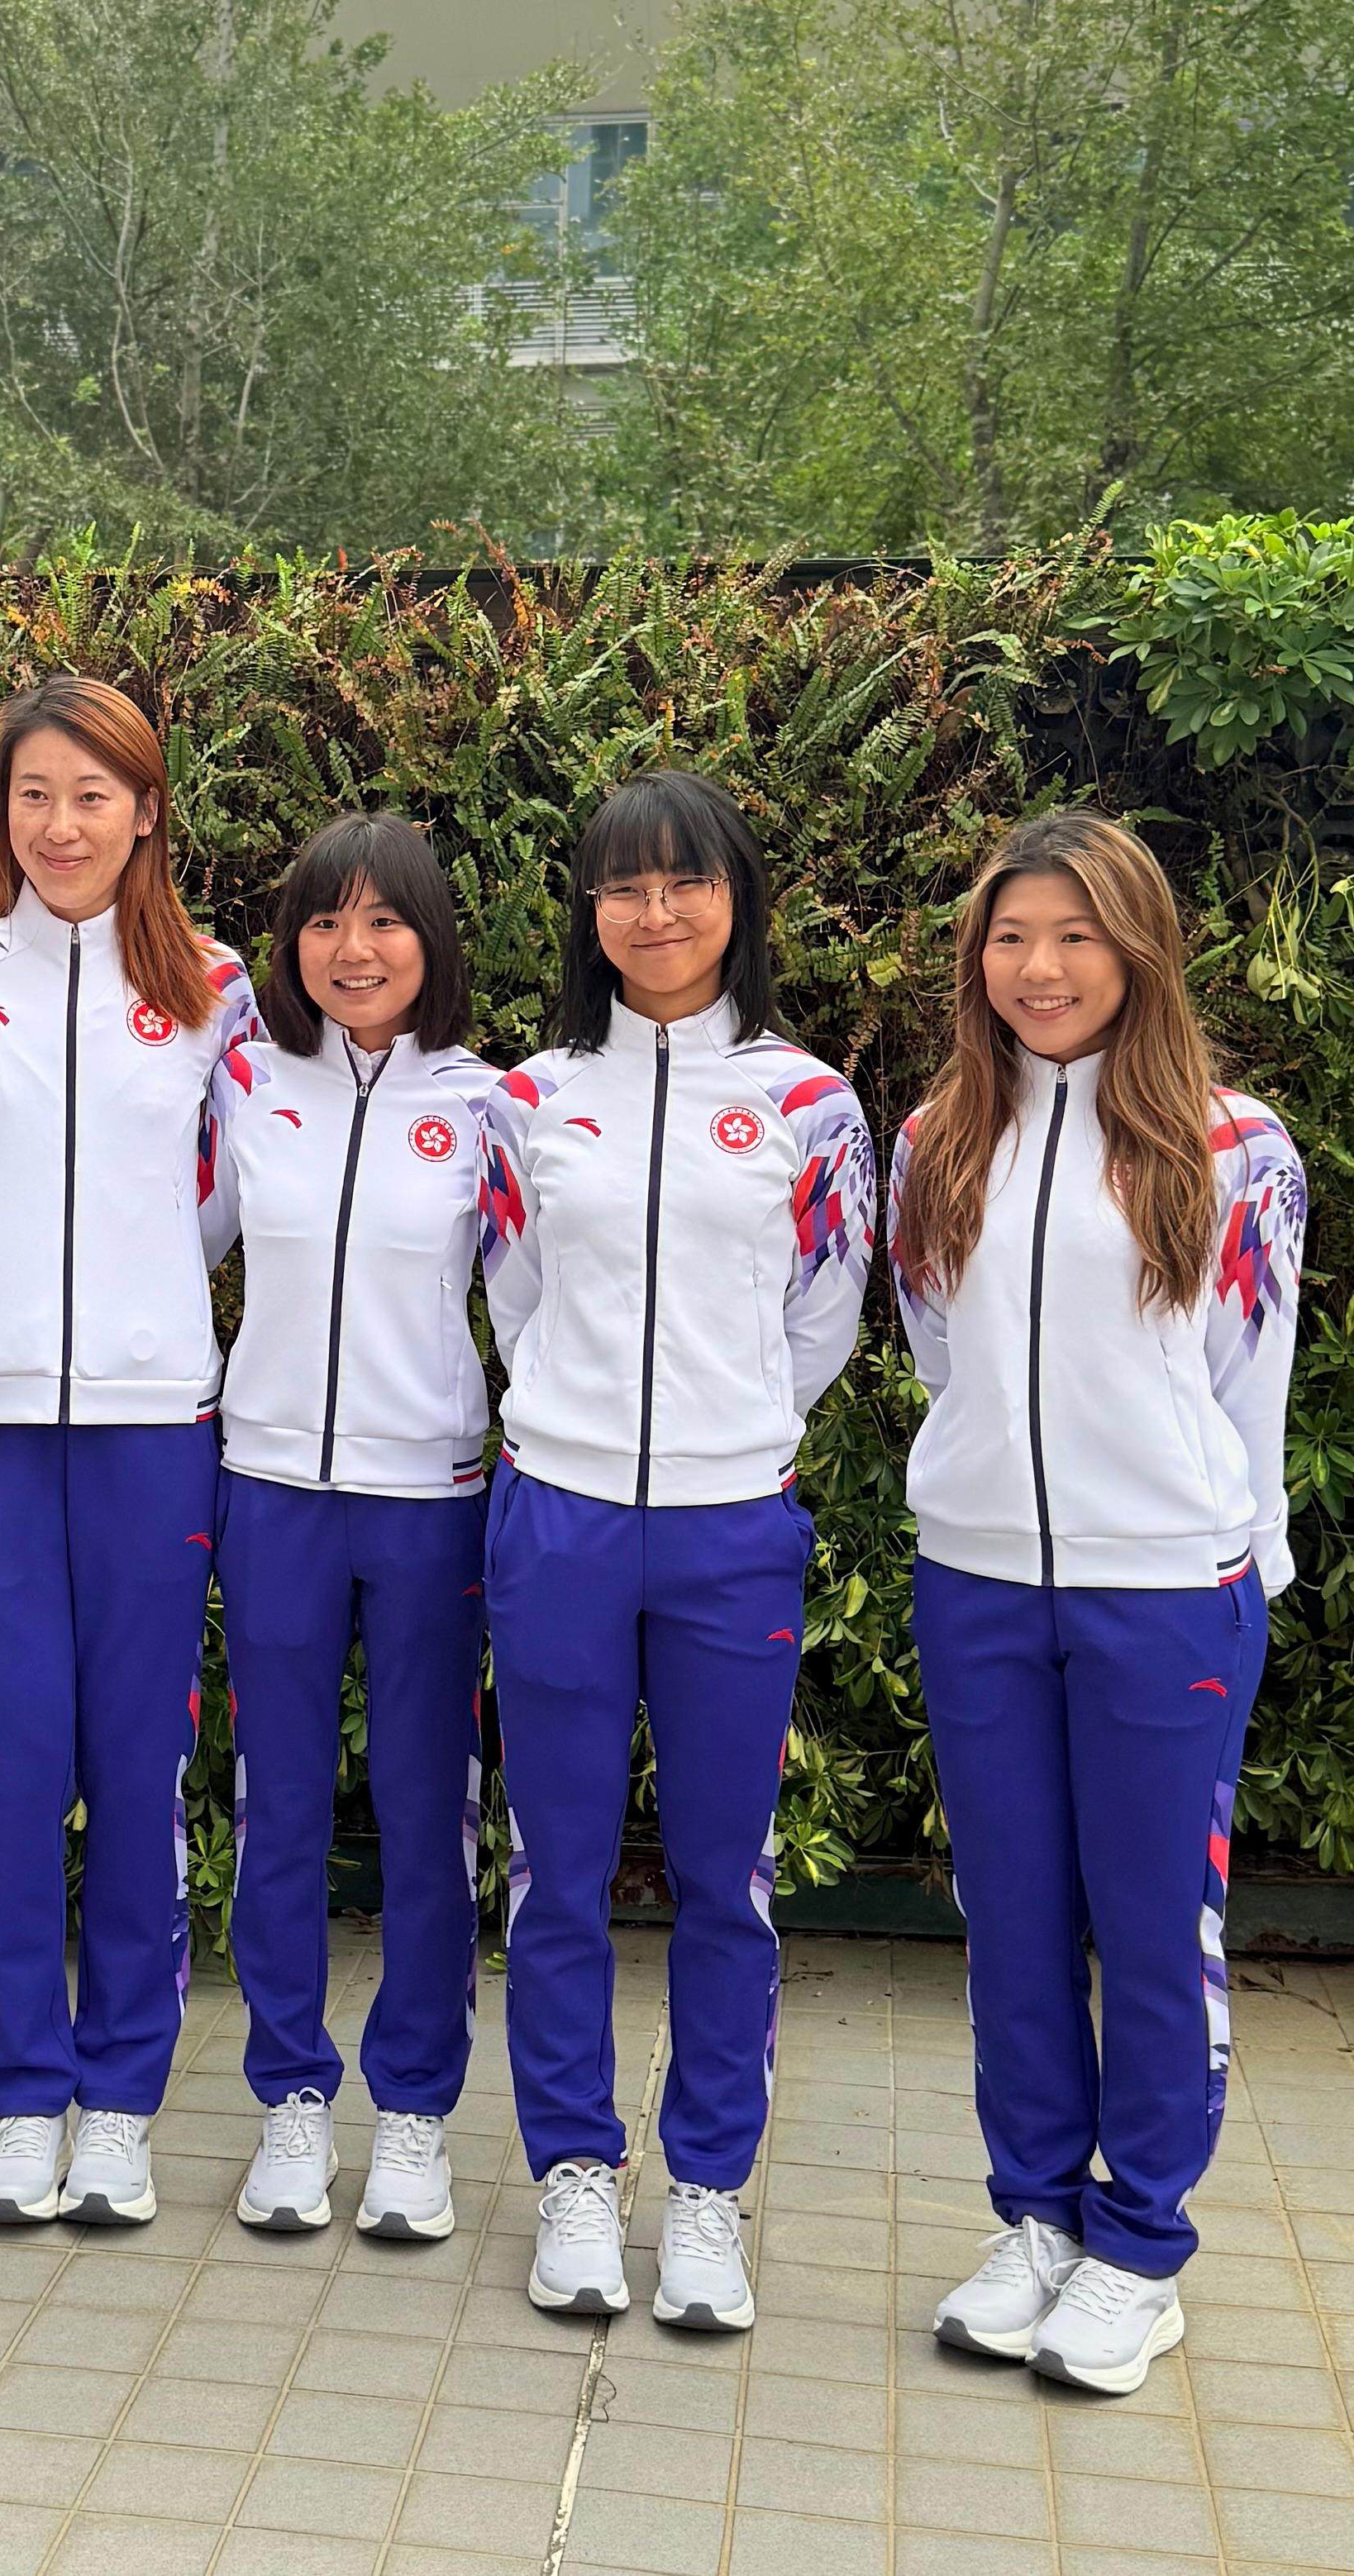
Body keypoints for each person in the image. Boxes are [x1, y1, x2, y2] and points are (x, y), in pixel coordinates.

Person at [890, 812, 1305, 2397]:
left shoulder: (1231, 1146)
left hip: (1165, 1593)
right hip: (979, 1579)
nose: (1039, 967)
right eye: (1009, 937)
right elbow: (939, 1353)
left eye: (1072, 935)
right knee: (1007, 1920)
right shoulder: (939, 1137)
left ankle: (1141, 2244)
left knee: (1150, 1927)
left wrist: (1218, 1551)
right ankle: (1037, 2221)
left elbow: (1240, 1381)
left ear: (1135, 947)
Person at [479, 770, 875, 2327]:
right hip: (558, 1516)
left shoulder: (809, 1101)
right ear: (588, 910)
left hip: (728, 1528)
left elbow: (822, 1317)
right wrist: (580, 1423)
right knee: (556, 1869)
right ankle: (577, 2174)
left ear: (735, 900)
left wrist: (722, 1440)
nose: (656, 913)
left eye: (687, 882)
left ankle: (707, 2190)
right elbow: (516, 1298)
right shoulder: (530, 1097)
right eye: (624, 886)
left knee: (726, 1875)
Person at [0, 674, 260, 2227]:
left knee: (138, 1762)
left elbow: (223, 1199)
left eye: (93, 795)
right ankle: (18, 2089)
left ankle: (118, 2095)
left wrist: (137, 1316)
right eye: (33, 795)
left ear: (146, 810)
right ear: (2, 813)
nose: (62, 824)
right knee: (7, 1763)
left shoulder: (215, 987)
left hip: (150, 1429)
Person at [197, 814, 494, 2240]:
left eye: (384, 921)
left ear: (429, 939)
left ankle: (418, 2115)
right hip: (269, 1489)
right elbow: (175, 1241)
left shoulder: (493, 1105)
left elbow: (550, 1302)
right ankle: (291, 2100)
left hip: (431, 1497)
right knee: (281, 1807)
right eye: (324, 921)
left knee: (427, 1809)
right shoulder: (248, 1080)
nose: (353, 949)